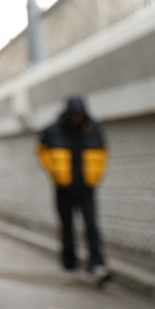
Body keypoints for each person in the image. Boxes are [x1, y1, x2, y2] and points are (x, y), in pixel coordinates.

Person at [37, 96, 111, 284]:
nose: (77, 117)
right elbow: (41, 151)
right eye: (74, 114)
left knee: (91, 226)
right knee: (67, 227)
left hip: (86, 188)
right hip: (64, 188)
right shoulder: (54, 130)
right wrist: (55, 172)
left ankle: (97, 264)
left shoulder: (93, 129)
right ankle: (70, 264)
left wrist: (96, 176)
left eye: (80, 114)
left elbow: (103, 152)